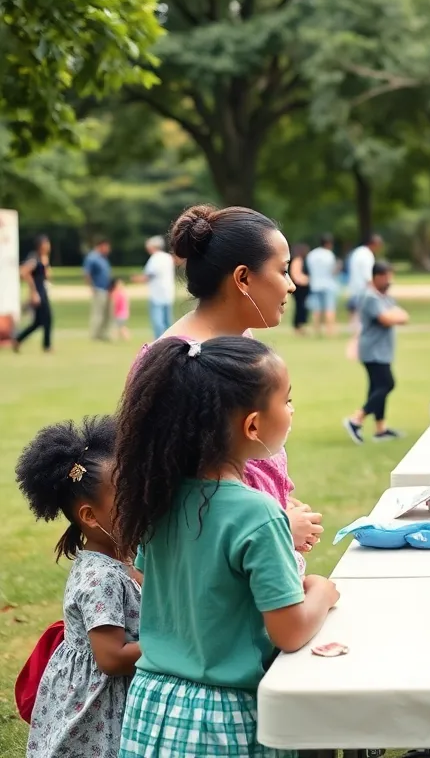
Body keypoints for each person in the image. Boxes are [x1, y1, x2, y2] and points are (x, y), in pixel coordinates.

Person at [113, 336, 341, 757]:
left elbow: (146, 573)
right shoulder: (258, 514)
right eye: (286, 400)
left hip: (151, 706)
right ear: (253, 425)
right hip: (223, 718)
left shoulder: (159, 495)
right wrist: (322, 593)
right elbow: (289, 631)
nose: (291, 410)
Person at [138, 204, 323, 558]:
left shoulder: (240, 340)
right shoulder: (182, 364)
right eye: (282, 271)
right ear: (243, 279)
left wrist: (277, 503)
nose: (291, 284)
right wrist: (277, 523)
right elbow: (179, 504)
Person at [16, 416, 142, 758]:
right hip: (97, 702)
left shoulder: (129, 555)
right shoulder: (100, 577)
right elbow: (112, 658)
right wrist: (175, 645)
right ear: (89, 516)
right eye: (127, 496)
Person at [344, 262, 410, 444]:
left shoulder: (383, 297)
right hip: (372, 350)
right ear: (378, 277)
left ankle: (380, 429)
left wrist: (397, 317)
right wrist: (395, 317)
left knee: (377, 387)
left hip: (381, 350)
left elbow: (403, 315)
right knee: (387, 384)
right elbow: (387, 318)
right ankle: (356, 419)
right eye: (388, 277)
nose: (390, 281)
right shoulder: (371, 297)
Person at [15, 234, 52, 353]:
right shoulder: (34, 257)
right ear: (40, 245)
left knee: (38, 322)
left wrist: (46, 263)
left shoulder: (43, 258)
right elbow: (24, 272)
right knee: (47, 318)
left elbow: (48, 276)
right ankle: (47, 346)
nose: (48, 246)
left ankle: (18, 339)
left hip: (43, 290)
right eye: (46, 243)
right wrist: (33, 291)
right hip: (38, 291)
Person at [137, 235, 176, 340]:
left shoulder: (154, 259)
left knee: (157, 320)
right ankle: (170, 340)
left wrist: (136, 279)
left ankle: (159, 340)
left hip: (157, 293)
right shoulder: (168, 257)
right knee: (167, 320)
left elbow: (148, 275)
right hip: (168, 292)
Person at [305, 234, 340, 337]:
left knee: (317, 309)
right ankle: (330, 331)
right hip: (328, 284)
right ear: (329, 243)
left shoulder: (312, 254)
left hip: (315, 284)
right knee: (329, 309)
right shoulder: (329, 255)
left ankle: (317, 331)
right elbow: (333, 271)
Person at [345, 233, 383, 322]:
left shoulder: (357, 252)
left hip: (353, 286)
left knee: (354, 312)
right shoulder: (367, 255)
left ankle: (354, 332)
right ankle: (358, 334)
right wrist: (376, 291)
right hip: (362, 289)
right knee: (361, 313)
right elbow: (368, 276)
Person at [82, 238, 113, 341]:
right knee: (98, 313)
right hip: (98, 288)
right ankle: (95, 334)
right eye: (106, 247)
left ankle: (103, 333)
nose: (108, 249)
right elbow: (87, 273)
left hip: (107, 289)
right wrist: (91, 287)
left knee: (106, 313)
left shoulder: (104, 258)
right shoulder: (92, 258)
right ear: (101, 246)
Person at [289, 242, 311, 336]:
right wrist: (308, 280)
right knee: (300, 308)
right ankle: (298, 327)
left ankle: (300, 326)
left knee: (301, 308)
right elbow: (296, 275)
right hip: (300, 289)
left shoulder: (299, 259)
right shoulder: (298, 260)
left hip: (302, 289)